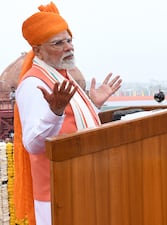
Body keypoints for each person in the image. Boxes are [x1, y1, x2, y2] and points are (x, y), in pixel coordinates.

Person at [13, 2, 122, 225]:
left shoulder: (61, 76)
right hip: (57, 192)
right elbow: (32, 143)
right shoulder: (34, 84)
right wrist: (54, 112)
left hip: (82, 184)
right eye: (58, 43)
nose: (68, 47)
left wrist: (93, 105)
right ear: (38, 50)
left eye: (69, 40)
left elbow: (72, 124)